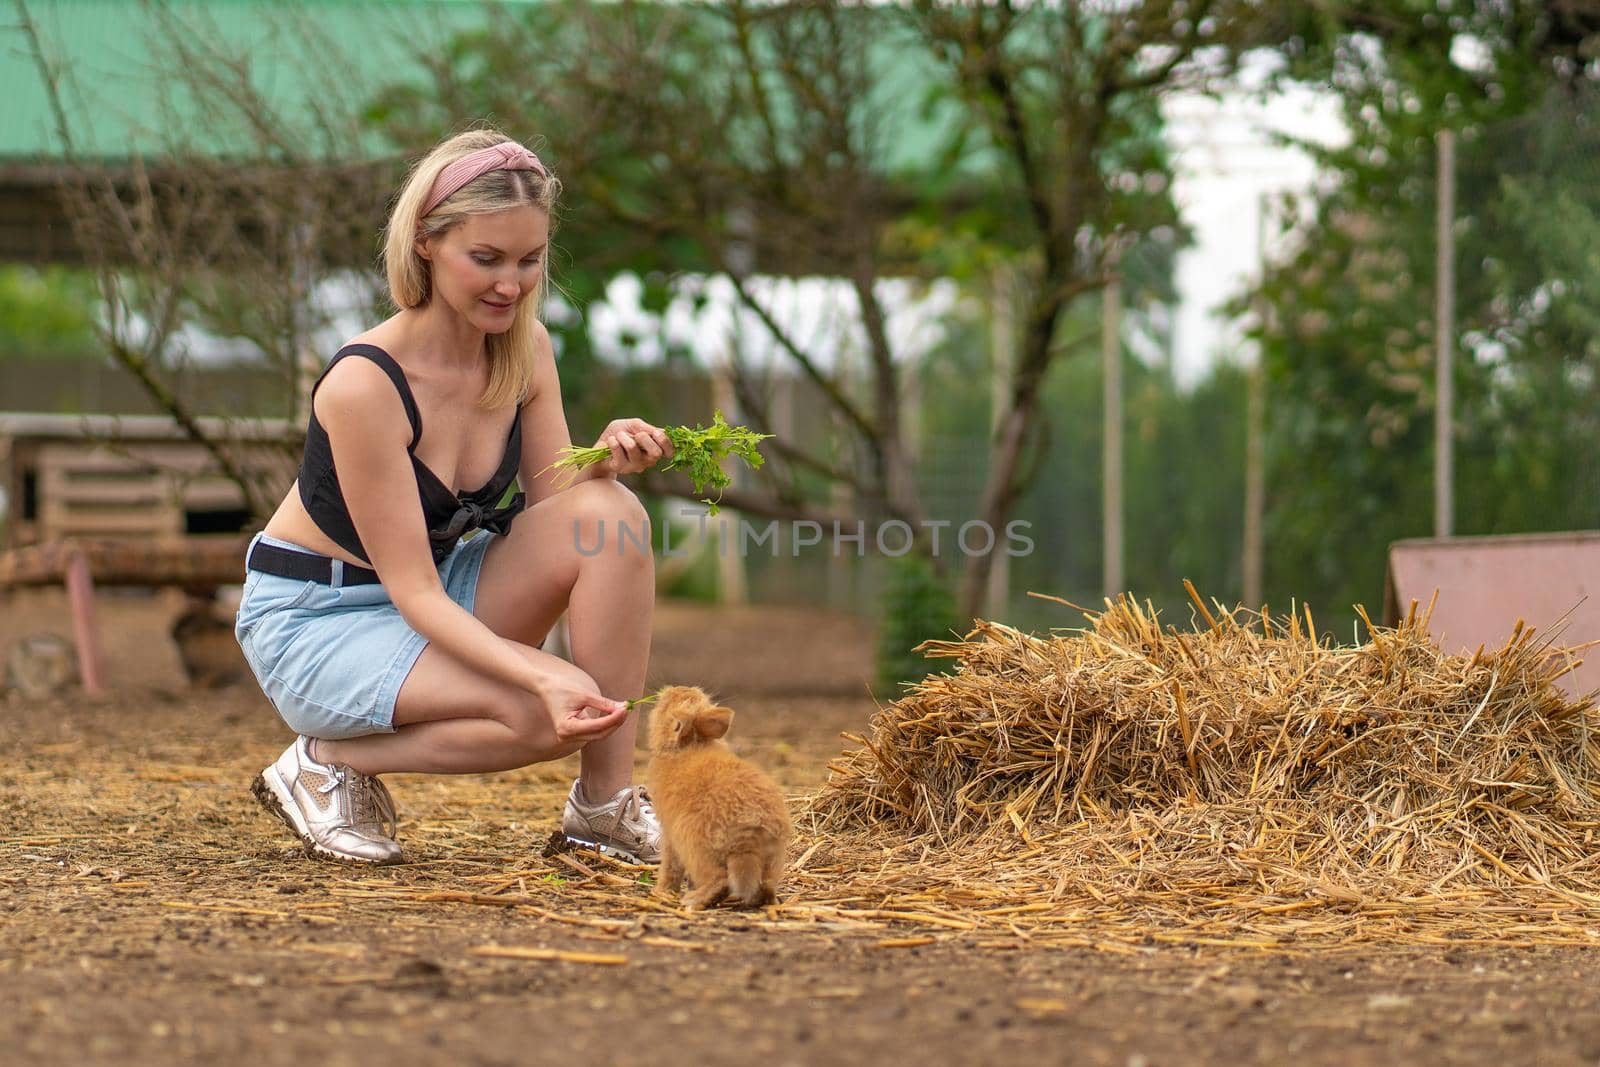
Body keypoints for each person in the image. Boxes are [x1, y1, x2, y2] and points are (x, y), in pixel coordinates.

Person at [234, 128, 671, 866]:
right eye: (487, 259)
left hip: (437, 589)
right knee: (545, 709)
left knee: (614, 520)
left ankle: (602, 809)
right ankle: (324, 759)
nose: (512, 283)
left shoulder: (525, 349)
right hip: (320, 619)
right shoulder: (364, 384)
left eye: (530, 261)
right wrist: (538, 668)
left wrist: (607, 462)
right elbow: (413, 593)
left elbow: (558, 510)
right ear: (428, 245)